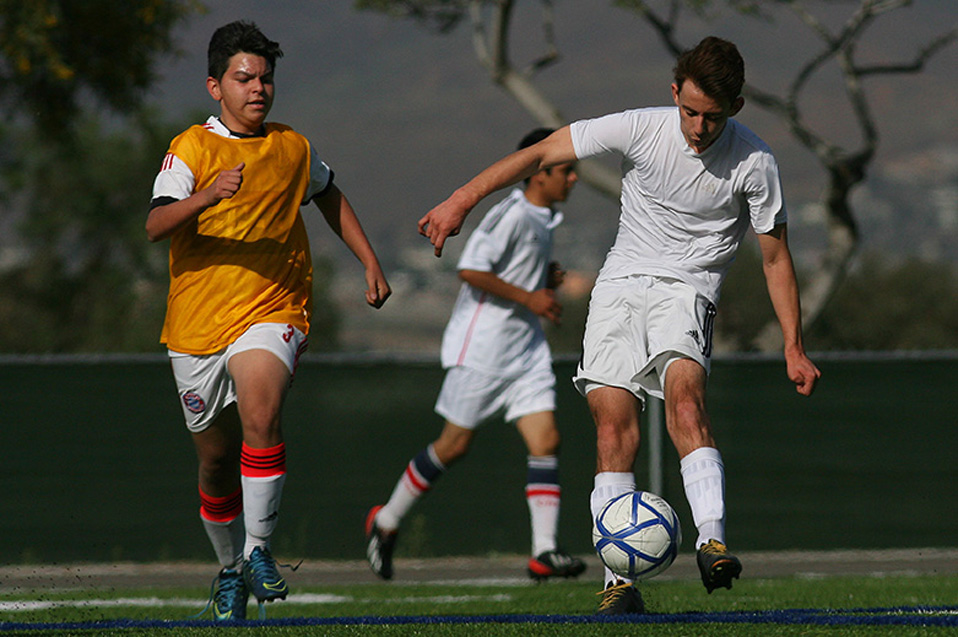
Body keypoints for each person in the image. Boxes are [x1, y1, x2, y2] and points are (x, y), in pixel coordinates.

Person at [417, 36, 821, 614]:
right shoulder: (640, 127)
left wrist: (793, 347)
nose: (699, 127)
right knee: (612, 432)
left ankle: (712, 541)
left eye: (712, 117)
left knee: (686, 404)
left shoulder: (755, 162)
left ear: (734, 109)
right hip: (619, 288)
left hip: (689, 291)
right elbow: (541, 153)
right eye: (689, 111)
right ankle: (618, 583)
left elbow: (776, 258)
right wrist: (462, 199)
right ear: (674, 93)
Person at [146, 21, 390, 621]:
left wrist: (369, 261)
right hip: (197, 327)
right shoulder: (192, 149)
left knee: (262, 408)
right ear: (215, 87)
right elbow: (156, 224)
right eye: (244, 77)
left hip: (273, 308)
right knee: (214, 461)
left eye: (266, 78)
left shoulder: (292, 148)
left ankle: (258, 552)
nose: (258, 88)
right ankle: (230, 570)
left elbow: (328, 194)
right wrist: (207, 195)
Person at [365, 128, 587, 582]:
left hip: (524, 350)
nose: (574, 179)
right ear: (539, 173)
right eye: (567, 170)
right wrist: (531, 298)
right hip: (483, 348)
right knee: (454, 445)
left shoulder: (543, 218)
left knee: (547, 440)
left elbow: (514, 270)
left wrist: (543, 276)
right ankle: (386, 521)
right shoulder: (512, 214)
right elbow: (471, 269)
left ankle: (544, 551)